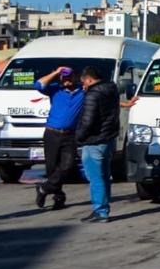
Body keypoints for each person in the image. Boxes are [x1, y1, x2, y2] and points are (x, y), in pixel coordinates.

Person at [33, 65, 84, 210]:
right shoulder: (55, 89)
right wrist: (55, 72)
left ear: (75, 77)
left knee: (67, 166)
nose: (66, 81)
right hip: (52, 133)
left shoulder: (82, 91)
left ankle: (43, 188)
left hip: (70, 134)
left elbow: (100, 98)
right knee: (52, 168)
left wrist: (124, 104)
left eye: (69, 78)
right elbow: (38, 84)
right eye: (64, 78)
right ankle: (59, 198)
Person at [75, 65, 120, 223]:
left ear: (89, 79)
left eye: (84, 83)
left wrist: (78, 137)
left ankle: (100, 210)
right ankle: (103, 207)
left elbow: (88, 121)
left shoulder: (92, 95)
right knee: (104, 175)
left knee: (95, 177)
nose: (83, 86)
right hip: (107, 138)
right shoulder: (111, 90)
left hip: (93, 140)